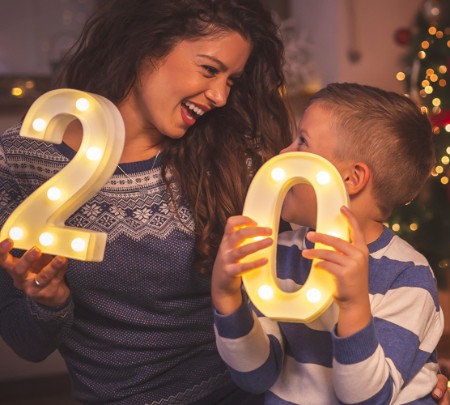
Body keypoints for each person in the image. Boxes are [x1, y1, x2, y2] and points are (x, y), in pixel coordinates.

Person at [0, 0, 292, 403]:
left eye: (231, 80)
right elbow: (27, 344)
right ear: (146, 47)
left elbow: (279, 303)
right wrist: (49, 302)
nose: (221, 96)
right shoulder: (21, 160)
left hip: (238, 392)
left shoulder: (232, 159)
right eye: (209, 70)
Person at [210, 82, 445, 404]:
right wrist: (227, 297)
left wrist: (353, 306)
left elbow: (369, 399)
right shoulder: (278, 252)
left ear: (351, 179)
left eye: (302, 142)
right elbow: (256, 375)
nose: (283, 154)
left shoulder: (407, 276)